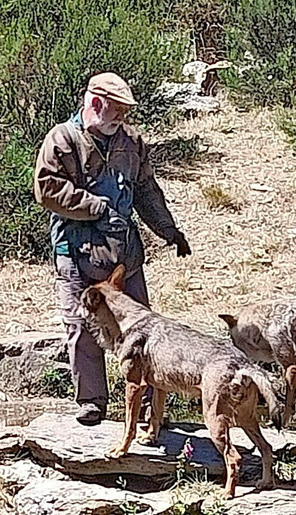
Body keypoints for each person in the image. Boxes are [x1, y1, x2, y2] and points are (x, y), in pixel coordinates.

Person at [33, 71, 191, 426]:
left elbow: (146, 190)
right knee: (80, 327)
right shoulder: (62, 140)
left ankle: (151, 406)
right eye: (115, 109)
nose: (121, 117)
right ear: (94, 103)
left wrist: (169, 230)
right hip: (76, 253)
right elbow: (48, 190)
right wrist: (96, 207)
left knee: (144, 330)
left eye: (124, 110)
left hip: (122, 256)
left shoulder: (131, 141)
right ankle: (92, 402)